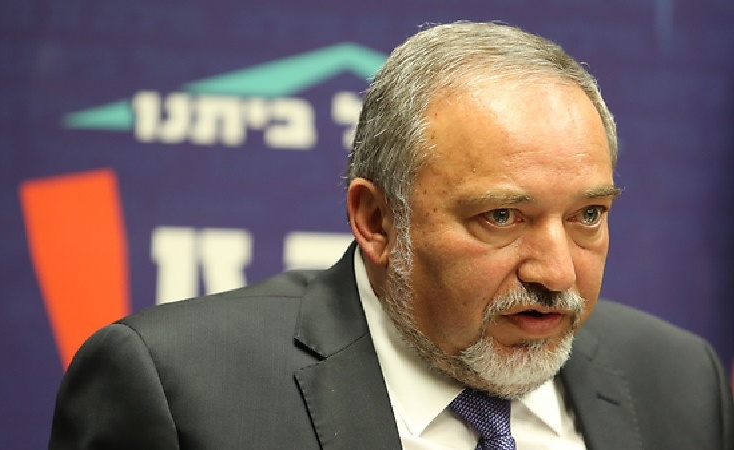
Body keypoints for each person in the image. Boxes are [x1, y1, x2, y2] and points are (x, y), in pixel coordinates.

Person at [49, 21, 734, 449]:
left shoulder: (678, 381)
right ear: (377, 221)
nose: (557, 273)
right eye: (501, 217)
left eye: (588, 215)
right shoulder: (178, 390)